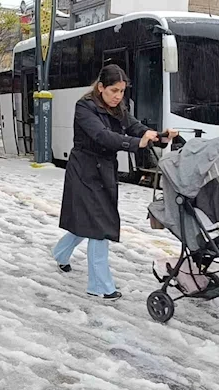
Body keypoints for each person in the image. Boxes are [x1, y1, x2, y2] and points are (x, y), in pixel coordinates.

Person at [53, 64, 177, 299]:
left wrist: (158, 135)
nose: (118, 96)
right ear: (100, 87)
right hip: (84, 171)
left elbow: (135, 126)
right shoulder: (84, 107)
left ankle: (60, 253)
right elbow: (101, 135)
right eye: (113, 91)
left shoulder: (119, 106)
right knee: (98, 226)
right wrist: (133, 143)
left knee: (88, 222)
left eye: (121, 91)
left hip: (104, 171)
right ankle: (99, 286)